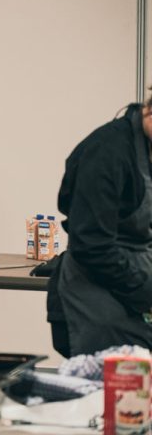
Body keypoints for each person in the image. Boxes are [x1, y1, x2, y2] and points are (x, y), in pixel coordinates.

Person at [49, 99, 152, 357]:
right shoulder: (108, 152)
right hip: (96, 292)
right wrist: (144, 291)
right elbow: (92, 245)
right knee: (119, 376)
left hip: (134, 282)